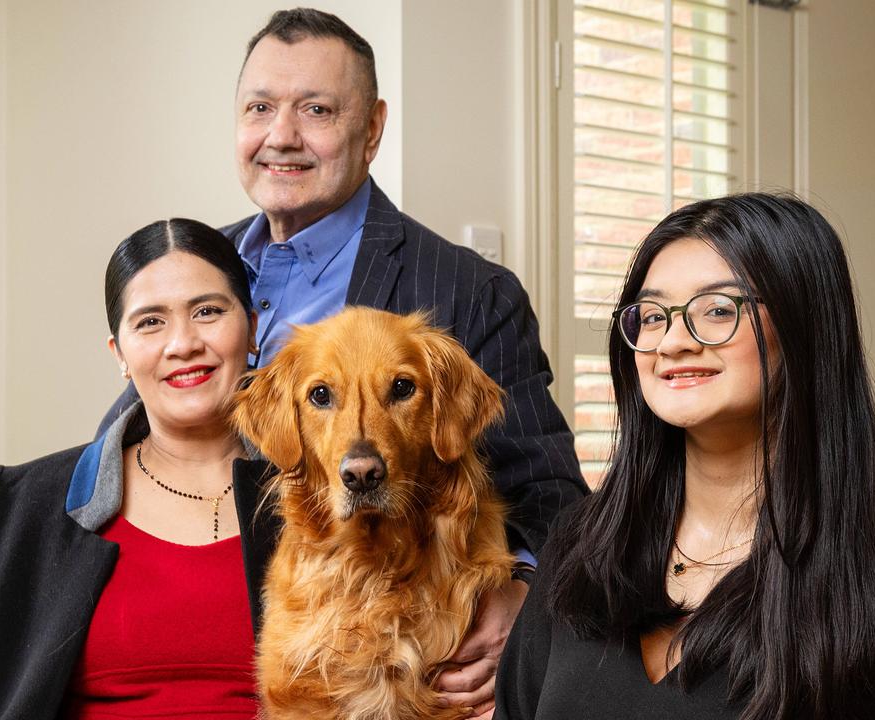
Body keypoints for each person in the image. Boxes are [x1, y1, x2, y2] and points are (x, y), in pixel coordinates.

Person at [96, 9, 588, 716]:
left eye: (317, 110)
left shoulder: (470, 293)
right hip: (193, 640)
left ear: (373, 129)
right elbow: (126, 439)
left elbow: (552, 493)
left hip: (389, 655)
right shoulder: (193, 269)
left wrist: (522, 596)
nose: (282, 136)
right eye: (259, 108)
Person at [495, 194, 875, 719]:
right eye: (654, 315)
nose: (674, 341)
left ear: (804, 328)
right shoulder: (580, 546)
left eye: (718, 310)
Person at [0, 219, 279, 719]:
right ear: (120, 355)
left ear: (252, 329)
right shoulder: (28, 504)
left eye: (207, 311)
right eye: (150, 322)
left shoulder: (315, 499)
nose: (182, 343)